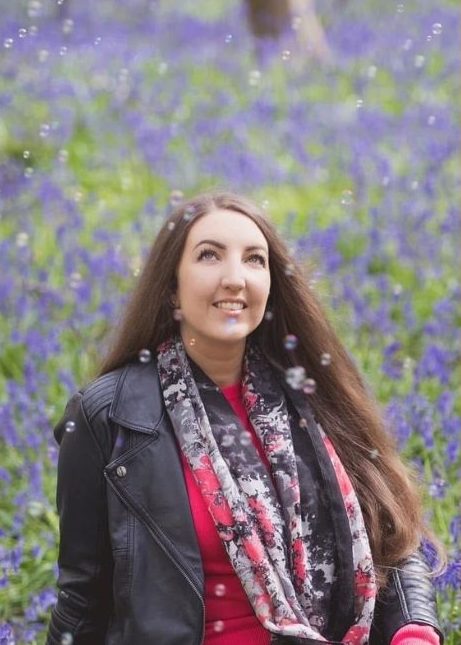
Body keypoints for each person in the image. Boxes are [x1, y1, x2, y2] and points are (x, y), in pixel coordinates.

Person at [46, 191, 444, 645]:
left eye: (254, 259)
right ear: (172, 287)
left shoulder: (313, 394)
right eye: (209, 255)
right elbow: (81, 600)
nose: (235, 278)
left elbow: (389, 536)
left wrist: (414, 631)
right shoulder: (109, 415)